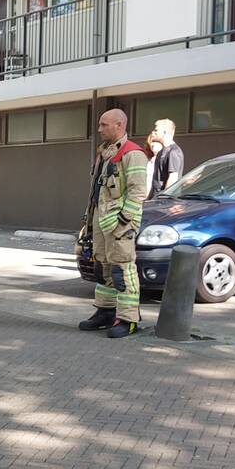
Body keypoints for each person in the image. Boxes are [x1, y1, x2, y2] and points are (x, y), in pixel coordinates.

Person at [78, 109, 149, 338]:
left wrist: (124, 220)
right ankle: (105, 312)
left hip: (118, 224)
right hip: (102, 220)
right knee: (103, 267)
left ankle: (128, 319)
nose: (99, 129)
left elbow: (138, 192)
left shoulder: (133, 154)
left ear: (119, 125)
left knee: (122, 269)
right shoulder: (105, 153)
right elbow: (97, 191)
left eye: (103, 124)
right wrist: (89, 221)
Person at [151, 118, 185, 195]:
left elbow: (173, 178)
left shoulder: (174, 152)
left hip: (165, 203)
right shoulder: (161, 152)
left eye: (156, 130)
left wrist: (164, 197)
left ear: (164, 132)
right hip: (156, 201)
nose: (153, 132)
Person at [144, 133, 163, 198]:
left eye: (156, 141)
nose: (153, 144)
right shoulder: (148, 161)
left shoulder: (164, 159)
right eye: (151, 142)